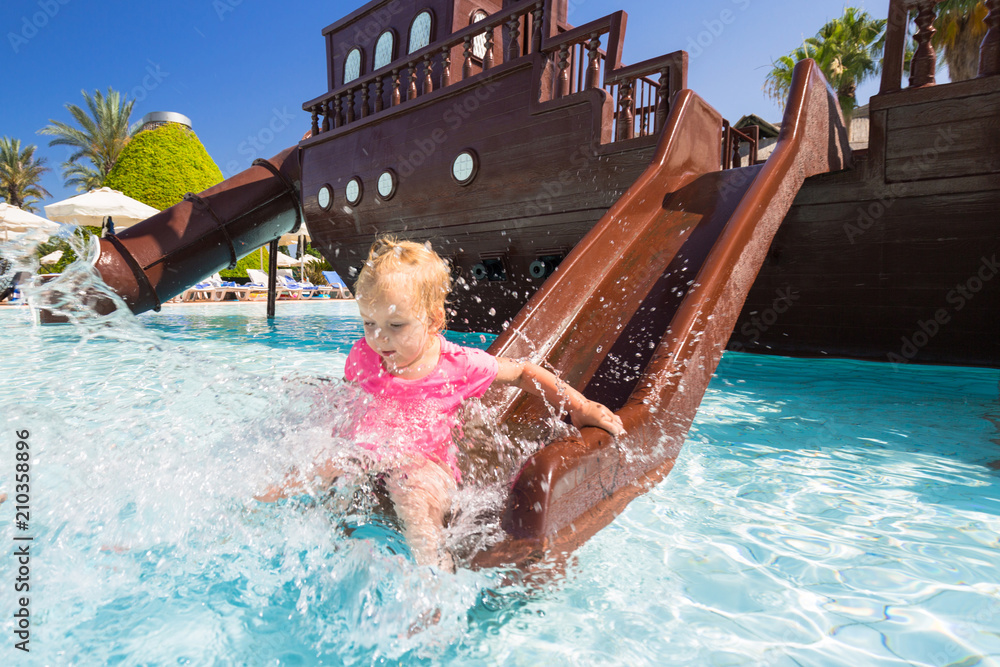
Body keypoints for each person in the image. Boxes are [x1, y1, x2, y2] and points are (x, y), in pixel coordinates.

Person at [258, 238, 624, 570]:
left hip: (425, 465)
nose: (379, 338)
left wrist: (579, 406)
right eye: (369, 323)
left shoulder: (456, 364)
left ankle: (434, 580)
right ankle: (255, 507)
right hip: (366, 458)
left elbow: (522, 372)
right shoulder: (362, 355)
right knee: (320, 464)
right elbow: (350, 403)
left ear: (433, 321)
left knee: (414, 494)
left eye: (396, 325)